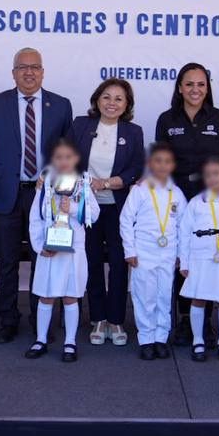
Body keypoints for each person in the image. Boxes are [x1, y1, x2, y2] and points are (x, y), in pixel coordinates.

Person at [0, 48, 74, 343]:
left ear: (43, 72)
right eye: (22, 67)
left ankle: (39, 321)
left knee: (43, 259)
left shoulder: (60, 105)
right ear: (13, 72)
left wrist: (65, 196)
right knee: (7, 261)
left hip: (45, 199)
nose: (28, 72)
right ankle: (8, 320)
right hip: (7, 193)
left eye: (35, 67)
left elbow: (67, 155)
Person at [154, 62, 219, 345]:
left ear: (208, 88)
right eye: (189, 84)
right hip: (179, 201)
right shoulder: (167, 119)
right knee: (185, 257)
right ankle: (184, 321)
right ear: (180, 87)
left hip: (211, 201)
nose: (195, 89)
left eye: (201, 84)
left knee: (212, 257)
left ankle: (209, 324)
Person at [68, 79, 145, 347]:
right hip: (86, 206)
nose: (112, 103)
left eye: (119, 99)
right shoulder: (81, 125)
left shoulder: (133, 132)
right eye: (107, 97)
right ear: (97, 100)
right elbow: (66, 158)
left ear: (126, 105)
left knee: (118, 262)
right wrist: (82, 181)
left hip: (118, 207)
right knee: (90, 261)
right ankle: (98, 318)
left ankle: (116, 319)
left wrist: (108, 182)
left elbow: (136, 168)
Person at [26, 138, 99, 363]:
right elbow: (35, 219)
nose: (64, 161)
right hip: (49, 249)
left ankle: (70, 342)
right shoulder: (45, 184)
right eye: (59, 157)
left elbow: (94, 214)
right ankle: (40, 340)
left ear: (76, 159)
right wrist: (40, 246)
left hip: (73, 251)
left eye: (68, 157)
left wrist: (75, 207)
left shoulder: (83, 184)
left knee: (70, 297)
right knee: (46, 296)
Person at [178, 156, 219, 361]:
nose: (213, 178)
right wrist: (185, 261)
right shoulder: (195, 203)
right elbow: (184, 232)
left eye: (217, 173)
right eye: (208, 175)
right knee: (198, 299)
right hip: (199, 260)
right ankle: (198, 340)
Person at [120, 143, 181, 361]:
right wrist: (130, 250)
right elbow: (126, 219)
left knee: (164, 295)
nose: (162, 166)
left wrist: (180, 255)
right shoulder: (140, 190)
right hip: (143, 253)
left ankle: (160, 338)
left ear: (173, 165)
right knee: (144, 295)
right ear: (149, 164)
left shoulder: (177, 193)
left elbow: (183, 224)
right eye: (157, 161)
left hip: (168, 254)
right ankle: (146, 338)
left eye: (167, 162)